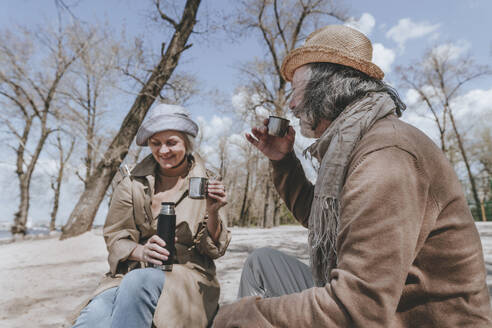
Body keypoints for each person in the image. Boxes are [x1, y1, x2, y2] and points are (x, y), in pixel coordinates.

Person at [213, 25, 492, 327]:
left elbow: (358, 310)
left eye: (295, 90)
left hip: (414, 319)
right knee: (263, 263)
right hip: (385, 306)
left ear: (327, 86)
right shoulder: (352, 144)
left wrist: (230, 317)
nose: (291, 104)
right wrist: (283, 162)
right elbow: (325, 217)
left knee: (245, 315)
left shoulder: (387, 154)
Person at [72, 104, 231, 328]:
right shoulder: (132, 183)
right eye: (156, 143)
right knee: (92, 320)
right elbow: (116, 236)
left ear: (186, 142)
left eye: (171, 142)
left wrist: (213, 212)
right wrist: (142, 251)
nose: (163, 151)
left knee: (140, 283)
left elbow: (214, 249)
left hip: (188, 276)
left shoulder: (207, 181)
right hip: (131, 273)